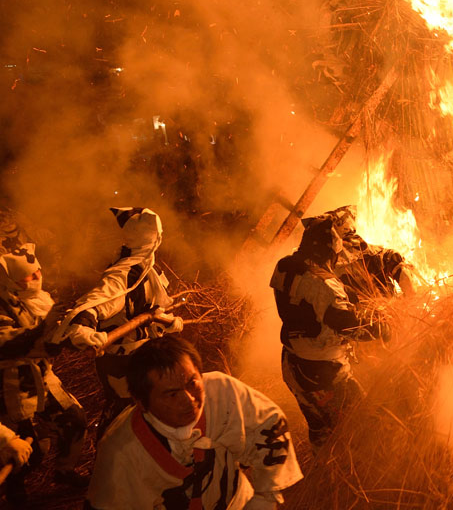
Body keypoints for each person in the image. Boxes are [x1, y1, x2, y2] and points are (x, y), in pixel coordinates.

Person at [87, 335, 302, 509]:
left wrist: (265, 497)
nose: (190, 400)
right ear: (141, 402)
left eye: (192, 383)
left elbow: (271, 424)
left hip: (238, 502)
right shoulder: (119, 452)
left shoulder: (223, 393)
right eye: (171, 394)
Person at [53, 207, 183, 432]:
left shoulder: (146, 268)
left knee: (155, 416)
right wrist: (82, 328)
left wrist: (167, 321)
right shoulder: (124, 273)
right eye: (156, 235)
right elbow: (97, 302)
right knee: (125, 422)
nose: (159, 239)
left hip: (144, 357)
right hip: (122, 364)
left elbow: (149, 309)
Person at [271, 215, 391, 448]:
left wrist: (352, 294)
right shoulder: (324, 285)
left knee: (320, 429)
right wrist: (379, 329)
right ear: (327, 251)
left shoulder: (285, 266)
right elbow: (346, 324)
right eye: (334, 255)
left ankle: (320, 472)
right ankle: (349, 472)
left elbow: (307, 290)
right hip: (322, 373)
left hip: (292, 364)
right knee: (360, 425)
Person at [0, 243, 88, 504]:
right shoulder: (3, 305)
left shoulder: (38, 299)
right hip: (11, 386)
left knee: (74, 419)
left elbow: (51, 341)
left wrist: (78, 336)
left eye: (38, 270)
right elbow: (8, 343)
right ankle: (15, 490)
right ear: (11, 279)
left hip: (42, 377)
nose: (38, 276)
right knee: (26, 447)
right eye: (30, 274)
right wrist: (43, 331)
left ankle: (64, 472)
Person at [305, 205, 415, 304]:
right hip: (356, 318)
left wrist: (409, 300)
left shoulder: (374, 255)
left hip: (378, 315)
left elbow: (398, 265)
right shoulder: (322, 267)